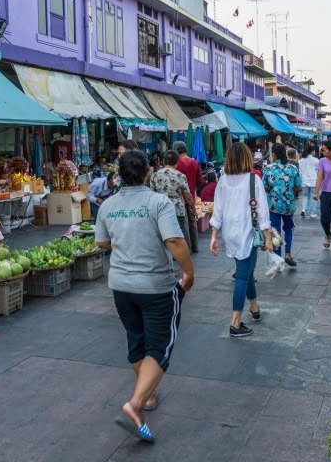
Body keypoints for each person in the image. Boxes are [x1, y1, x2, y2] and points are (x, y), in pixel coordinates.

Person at [95, 150, 194, 444]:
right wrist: (189, 272)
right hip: (156, 286)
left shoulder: (108, 205)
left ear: (119, 174)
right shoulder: (157, 202)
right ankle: (135, 405)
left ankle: (147, 395)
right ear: (148, 172)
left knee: (137, 340)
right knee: (159, 347)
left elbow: (101, 242)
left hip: (121, 286)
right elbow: (175, 241)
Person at [210, 142, 274, 338]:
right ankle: (235, 323)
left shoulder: (222, 181)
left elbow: (217, 210)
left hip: (230, 232)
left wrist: (213, 236)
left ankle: (254, 308)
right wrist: (268, 237)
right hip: (247, 231)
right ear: (247, 158)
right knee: (242, 276)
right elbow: (262, 211)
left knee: (246, 270)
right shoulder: (254, 179)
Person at [264, 142, 301, 266]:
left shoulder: (268, 169)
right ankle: (288, 254)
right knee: (289, 228)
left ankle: (278, 258)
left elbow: (265, 186)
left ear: (273, 154)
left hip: (273, 205)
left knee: (275, 232)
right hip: (288, 205)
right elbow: (299, 186)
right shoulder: (293, 168)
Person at [149, 150, 192, 250]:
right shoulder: (180, 175)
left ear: (164, 161)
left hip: (160, 210)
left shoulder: (155, 175)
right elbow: (188, 196)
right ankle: (181, 255)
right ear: (177, 162)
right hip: (177, 209)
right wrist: (193, 210)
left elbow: (152, 195)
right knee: (179, 235)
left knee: (162, 235)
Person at [173, 142, 203, 253]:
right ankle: (195, 247)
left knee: (182, 222)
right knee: (192, 222)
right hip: (191, 196)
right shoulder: (194, 163)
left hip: (178, 198)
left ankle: (187, 248)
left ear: (176, 151)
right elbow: (200, 181)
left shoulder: (176, 164)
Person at [299, 144, 319, 219]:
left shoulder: (301, 161)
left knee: (305, 196)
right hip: (314, 181)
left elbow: (300, 172)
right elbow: (318, 171)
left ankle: (303, 209)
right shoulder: (316, 160)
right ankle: (312, 213)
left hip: (304, 181)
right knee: (313, 196)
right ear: (312, 151)